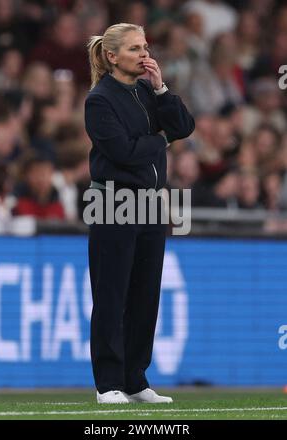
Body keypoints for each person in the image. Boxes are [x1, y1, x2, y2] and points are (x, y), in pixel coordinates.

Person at [84, 23, 195, 404]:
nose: (144, 54)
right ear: (112, 56)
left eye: (145, 46)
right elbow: (123, 152)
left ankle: (135, 379)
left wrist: (162, 89)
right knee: (112, 294)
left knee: (145, 294)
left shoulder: (148, 90)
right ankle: (108, 383)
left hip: (151, 203)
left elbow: (184, 126)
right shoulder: (99, 100)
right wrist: (161, 140)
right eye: (134, 48)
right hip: (113, 203)